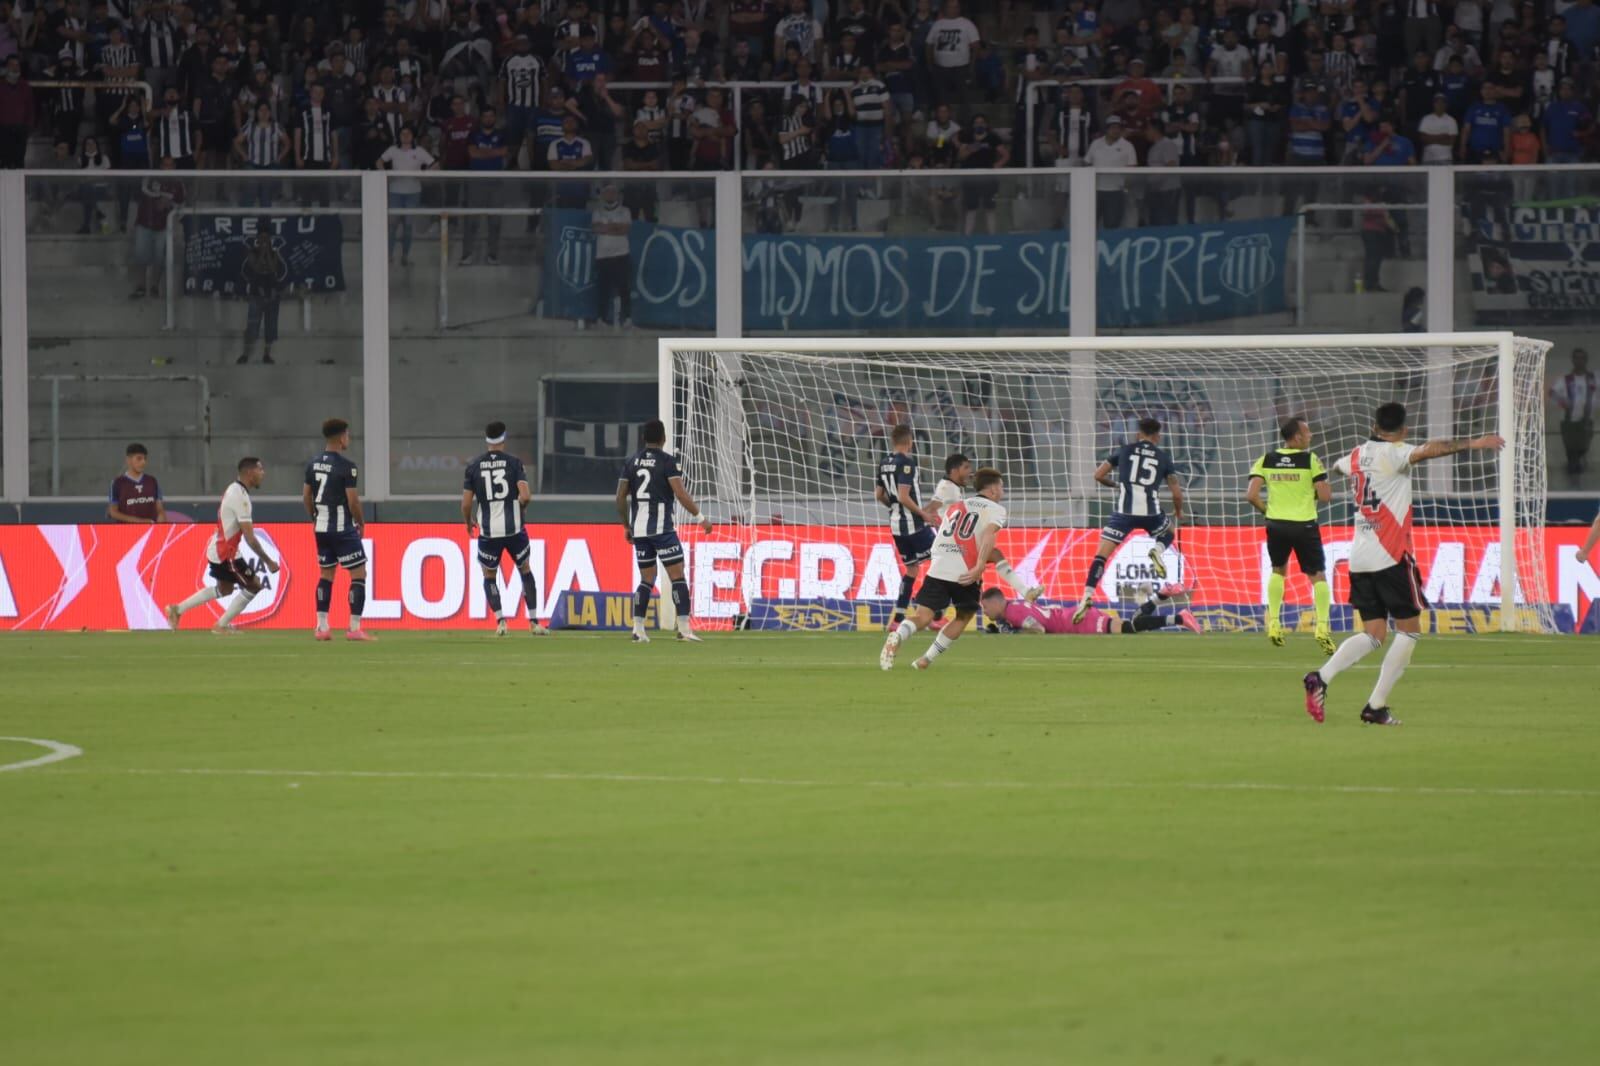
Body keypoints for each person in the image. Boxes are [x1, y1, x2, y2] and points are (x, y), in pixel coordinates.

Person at [1302, 403, 1504, 725]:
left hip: (1360, 558)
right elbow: (1431, 450)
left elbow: (1334, 470)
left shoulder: (1354, 455)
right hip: (1391, 556)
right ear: (1405, 431)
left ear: (1373, 424)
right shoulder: (1396, 453)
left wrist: (1319, 486)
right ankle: (1376, 705)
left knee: (1374, 633)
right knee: (1409, 630)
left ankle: (1321, 676)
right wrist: (1473, 443)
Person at [879, 466, 1008, 671]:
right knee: (964, 615)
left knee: (923, 617)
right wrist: (979, 566)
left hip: (939, 565)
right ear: (992, 490)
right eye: (1001, 488)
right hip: (964, 570)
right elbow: (988, 537)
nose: (1002, 492)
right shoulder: (996, 509)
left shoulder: (956, 506)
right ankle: (925, 660)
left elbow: (941, 538)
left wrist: (937, 561)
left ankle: (898, 635)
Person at [1072, 417, 1184, 624]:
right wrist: (1179, 513)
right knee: (1169, 532)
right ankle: (1157, 551)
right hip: (1152, 513)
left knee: (1101, 556)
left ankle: (1087, 596)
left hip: (1124, 513)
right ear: (1157, 436)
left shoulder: (1124, 451)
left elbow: (1098, 475)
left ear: (1138, 434)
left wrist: (1115, 485)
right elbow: (1177, 493)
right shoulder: (1163, 457)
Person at [616, 418, 714, 644]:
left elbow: (620, 497)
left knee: (646, 579)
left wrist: (626, 525)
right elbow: (680, 494)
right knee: (677, 576)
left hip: (639, 529)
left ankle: (638, 630)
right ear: (663, 438)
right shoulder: (668, 462)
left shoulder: (631, 462)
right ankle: (684, 629)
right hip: (662, 529)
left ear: (643, 438)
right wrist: (701, 519)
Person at [1247, 417, 1335, 653]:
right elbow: (1326, 496)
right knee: (1317, 576)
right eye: (1307, 432)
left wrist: (1268, 512)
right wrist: (1321, 485)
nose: (1310, 436)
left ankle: (1274, 623)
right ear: (1297, 437)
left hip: (1276, 525)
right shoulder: (1311, 460)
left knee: (1278, 570)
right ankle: (1323, 628)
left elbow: (1251, 494)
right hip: (1304, 525)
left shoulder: (1266, 459)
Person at [165, 457, 279, 634]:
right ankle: (221, 626)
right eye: (260, 469)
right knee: (254, 584)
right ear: (250, 473)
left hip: (221, 548)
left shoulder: (235, 489)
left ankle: (177, 609)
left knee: (224, 589)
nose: (263, 473)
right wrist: (269, 561)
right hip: (226, 553)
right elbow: (250, 538)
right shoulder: (240, 498)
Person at [462, 420, 547, 637]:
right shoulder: (514, 463)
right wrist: (521, 508)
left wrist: (468, 521)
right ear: (504, 437)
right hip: (514, 529)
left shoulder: (473, 466)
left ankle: (501, 622)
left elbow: (466, 503)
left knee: (489, 575)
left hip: (489, 531)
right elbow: (526, 495)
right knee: (525, 569)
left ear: (486, 439)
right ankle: (535, 622)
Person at [925, 451, 1042, 602]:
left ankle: (1025, 591)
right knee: (917, 573)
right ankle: (1024, 591)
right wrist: (926, 517)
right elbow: (931, 509)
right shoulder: (947, 488)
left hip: (949, 543)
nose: (969, 472)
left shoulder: (962, 499)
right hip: (950, 543)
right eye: (966, 467)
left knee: (994, 554)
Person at [303, 418, 372, 642]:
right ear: (342, 437)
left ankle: (322, 627)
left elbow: (306, 496)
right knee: (358, 573)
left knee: (326, 574)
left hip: (321, 527)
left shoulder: (312, 464)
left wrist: (315, 517)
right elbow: (353, 502)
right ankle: (354, 628)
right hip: (342, 528)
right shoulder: (347, 466)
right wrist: (360, 522)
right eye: (348, 435)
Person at [875, 424, 939, 627]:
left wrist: (893, 508)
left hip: (896, 526)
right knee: (944, 559)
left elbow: (879, 495)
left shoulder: (884, 463)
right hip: (914, 525)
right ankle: (932, 615)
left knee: (912, 570)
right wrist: (924, 514)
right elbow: (903, 496)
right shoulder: (907, 464)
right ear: (909, 441)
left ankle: (897, 619)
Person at [982, 588, 1200, 635]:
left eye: (984, 607)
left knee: (1129, 628)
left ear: (995, 603)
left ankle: (1181, 617)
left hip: (1076, 622)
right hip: (1075, 616)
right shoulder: (1016, 606)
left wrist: (1012, 633)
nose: (984, 611)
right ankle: (1160, 596)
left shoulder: (1013, 613)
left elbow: (1037, 630)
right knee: (1131, 623)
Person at [379, 124, 436, 266]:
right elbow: (379, 161)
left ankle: (405, 256)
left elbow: (435, 164)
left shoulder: (420, 151)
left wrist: (424, 175)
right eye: (402, 133)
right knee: (392, 225)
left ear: (413, 136)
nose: (405, 136)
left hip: (413, 193)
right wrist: (385, 175)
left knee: (408, 225)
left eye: (408, 133)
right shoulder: (393, 150)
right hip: (395, 192)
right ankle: (388, 256)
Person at [128, 156, 183, 300]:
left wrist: (169, 204)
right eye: (165, 165)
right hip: (144, 223)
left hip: (164, 227)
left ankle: (154, 287)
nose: (168, 168)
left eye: (171, 165)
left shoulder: (178, 184)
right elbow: (143, 189)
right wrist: (160, 197)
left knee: (160, 257)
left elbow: (181, 206)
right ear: (161, 166)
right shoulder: (150, 177)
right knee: (140, 255)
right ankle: (140, 286)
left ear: (175, 166)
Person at [461, 106, 507, 266]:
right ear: (481, 118)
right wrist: (493, 152)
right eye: (485, 116)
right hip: (476, 181)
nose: (488, 119)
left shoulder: (501, 134)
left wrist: (483, 152)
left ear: (495, 118)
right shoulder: (473, 135)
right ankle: (467, 254)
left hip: (496, 182)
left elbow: (504, 152)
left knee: (495, 220)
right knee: (472, 220)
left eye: (491, 116)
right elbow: (472, 153)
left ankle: (493, 254)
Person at [238, 231, 283, 365]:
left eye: (266, 238)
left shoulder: (274, 253)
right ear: (258, 239)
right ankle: (245, 354)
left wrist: (268, 253)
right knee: (252, 325)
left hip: (272, 293)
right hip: (256, 294)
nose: (264, 241)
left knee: (271, 326)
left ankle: (267, 355)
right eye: (261, 238)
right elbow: (256, 268)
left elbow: (273, 268)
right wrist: (262, 252)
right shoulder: (252, 252)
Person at [1552, 349, 1596, 478]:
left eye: (1582, 358)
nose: (1579, 361)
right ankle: (1573, 475)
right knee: (1571, 450)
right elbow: (1552, 393)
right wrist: (1563, 403)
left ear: (1586, 360)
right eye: (1576, 358)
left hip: (1587, 419)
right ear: (1573, 360)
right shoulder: (1566, 379)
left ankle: (1579, 470)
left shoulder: (1592, 378)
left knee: (1583, 448)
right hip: (1569, 420)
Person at [592, 182, 631, 327]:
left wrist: (606, 228)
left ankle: (627, 318)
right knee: (604, 289)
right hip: (603, 256)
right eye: (607, 192)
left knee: (624, 288)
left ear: (617, 194)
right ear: (603, 194)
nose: (610, 195)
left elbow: (625, 229)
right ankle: (601, 319)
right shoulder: (597, 212)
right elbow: (596, 229)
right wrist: (615, 227)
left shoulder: (625, 211)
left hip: (622, 254)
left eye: (613, 192)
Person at [107, 442, 166, 524]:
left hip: (151, 532)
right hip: (126, 533)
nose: (143, 462)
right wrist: (140, 522)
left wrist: (161, 515)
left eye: (145, 459)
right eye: (139, 458)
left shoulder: (152, 481)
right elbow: (113, 512)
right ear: (128, 460)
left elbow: (159, 508)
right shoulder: (117, 483)